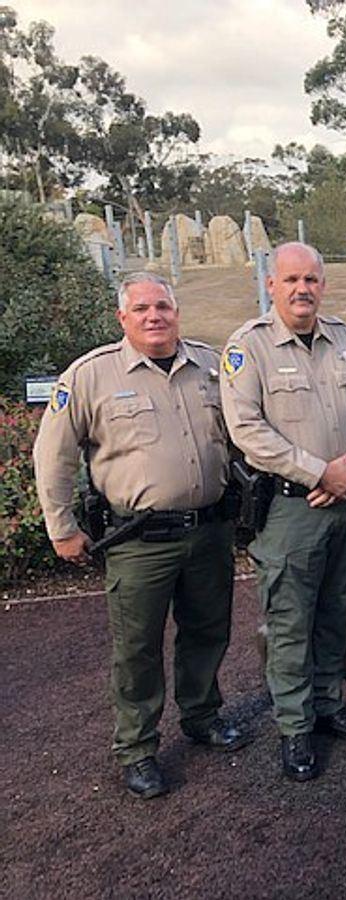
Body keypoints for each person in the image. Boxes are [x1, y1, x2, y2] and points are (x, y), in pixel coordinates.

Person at [33, 272, 248, 800]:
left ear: (177, 312)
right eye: (143, 309)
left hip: (209, 530)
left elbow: (242, 436)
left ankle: (201, 716)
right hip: (138, 541)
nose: (155, 317)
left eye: (164, 307)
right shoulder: (90, 376)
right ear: (122, 318)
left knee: (208, 631)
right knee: (137, 649)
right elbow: (53, 456)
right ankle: (138, 748)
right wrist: (61, 528)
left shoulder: (209, 366)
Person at [221, 242, 346, 782]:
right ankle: (295, 727)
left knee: (337, 610)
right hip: (293, 510)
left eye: (312, 279)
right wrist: (319, 472)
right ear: (271, 285)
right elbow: (246, 429)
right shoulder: (248, 348)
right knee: (291, 622)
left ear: (323, 284)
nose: (303, 289)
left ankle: (325, 703)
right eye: (291, 279)